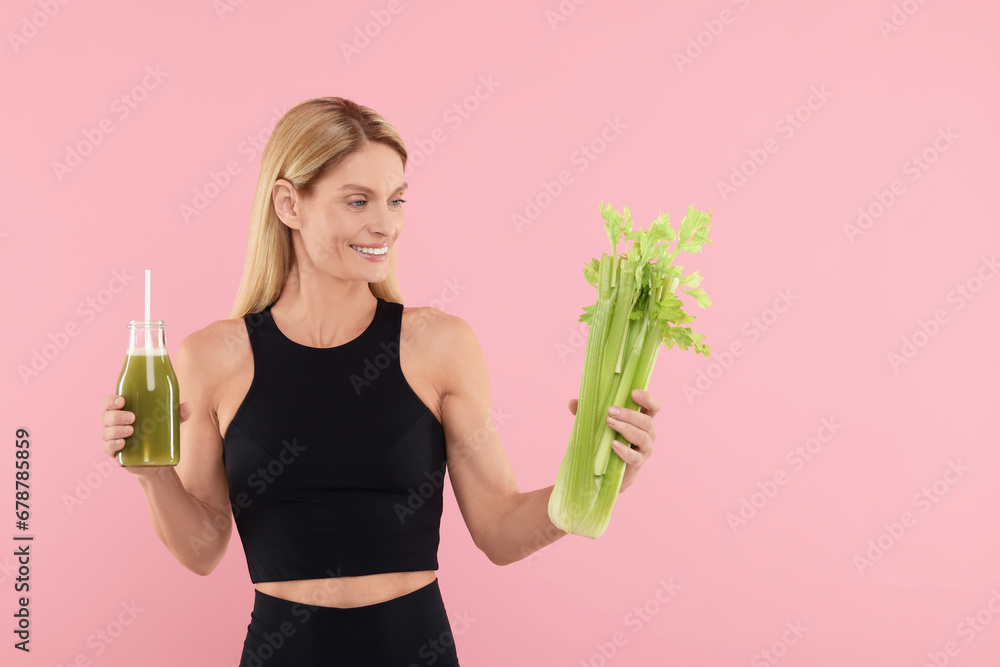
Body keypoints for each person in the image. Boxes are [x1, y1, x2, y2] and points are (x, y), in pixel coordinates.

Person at [98, 97, 661, 666]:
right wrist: (153, 477)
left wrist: (603, 474)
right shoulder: (210, 358)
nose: (385, 224)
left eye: (395, 200)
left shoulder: (440, 345)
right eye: (357, 201)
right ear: (289, 204)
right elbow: (201, 551)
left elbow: (500, 531)